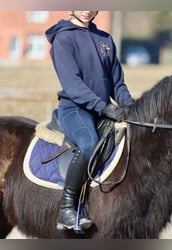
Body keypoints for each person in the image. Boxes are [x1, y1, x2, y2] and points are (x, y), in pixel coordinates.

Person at [45, 11, 134, 231]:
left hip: (102, 110)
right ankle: (66, 208)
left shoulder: (105, 39)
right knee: (88, 143)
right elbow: (73, 86)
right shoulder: (63, 39)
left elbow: (118, 84)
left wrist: (132, 108)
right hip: (75, 109)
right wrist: (104, 107)